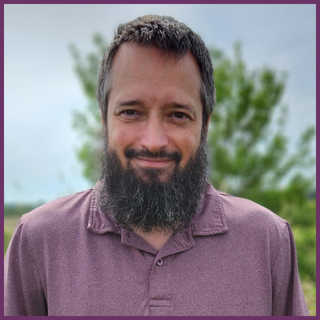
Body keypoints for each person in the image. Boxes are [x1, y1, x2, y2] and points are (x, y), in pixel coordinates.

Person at [4, 15, 309, 316]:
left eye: (177, 115)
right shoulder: (39, 239)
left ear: (205, 126)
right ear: (104, 118)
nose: (153, 141)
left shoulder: (268, 239)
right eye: (131, 112)